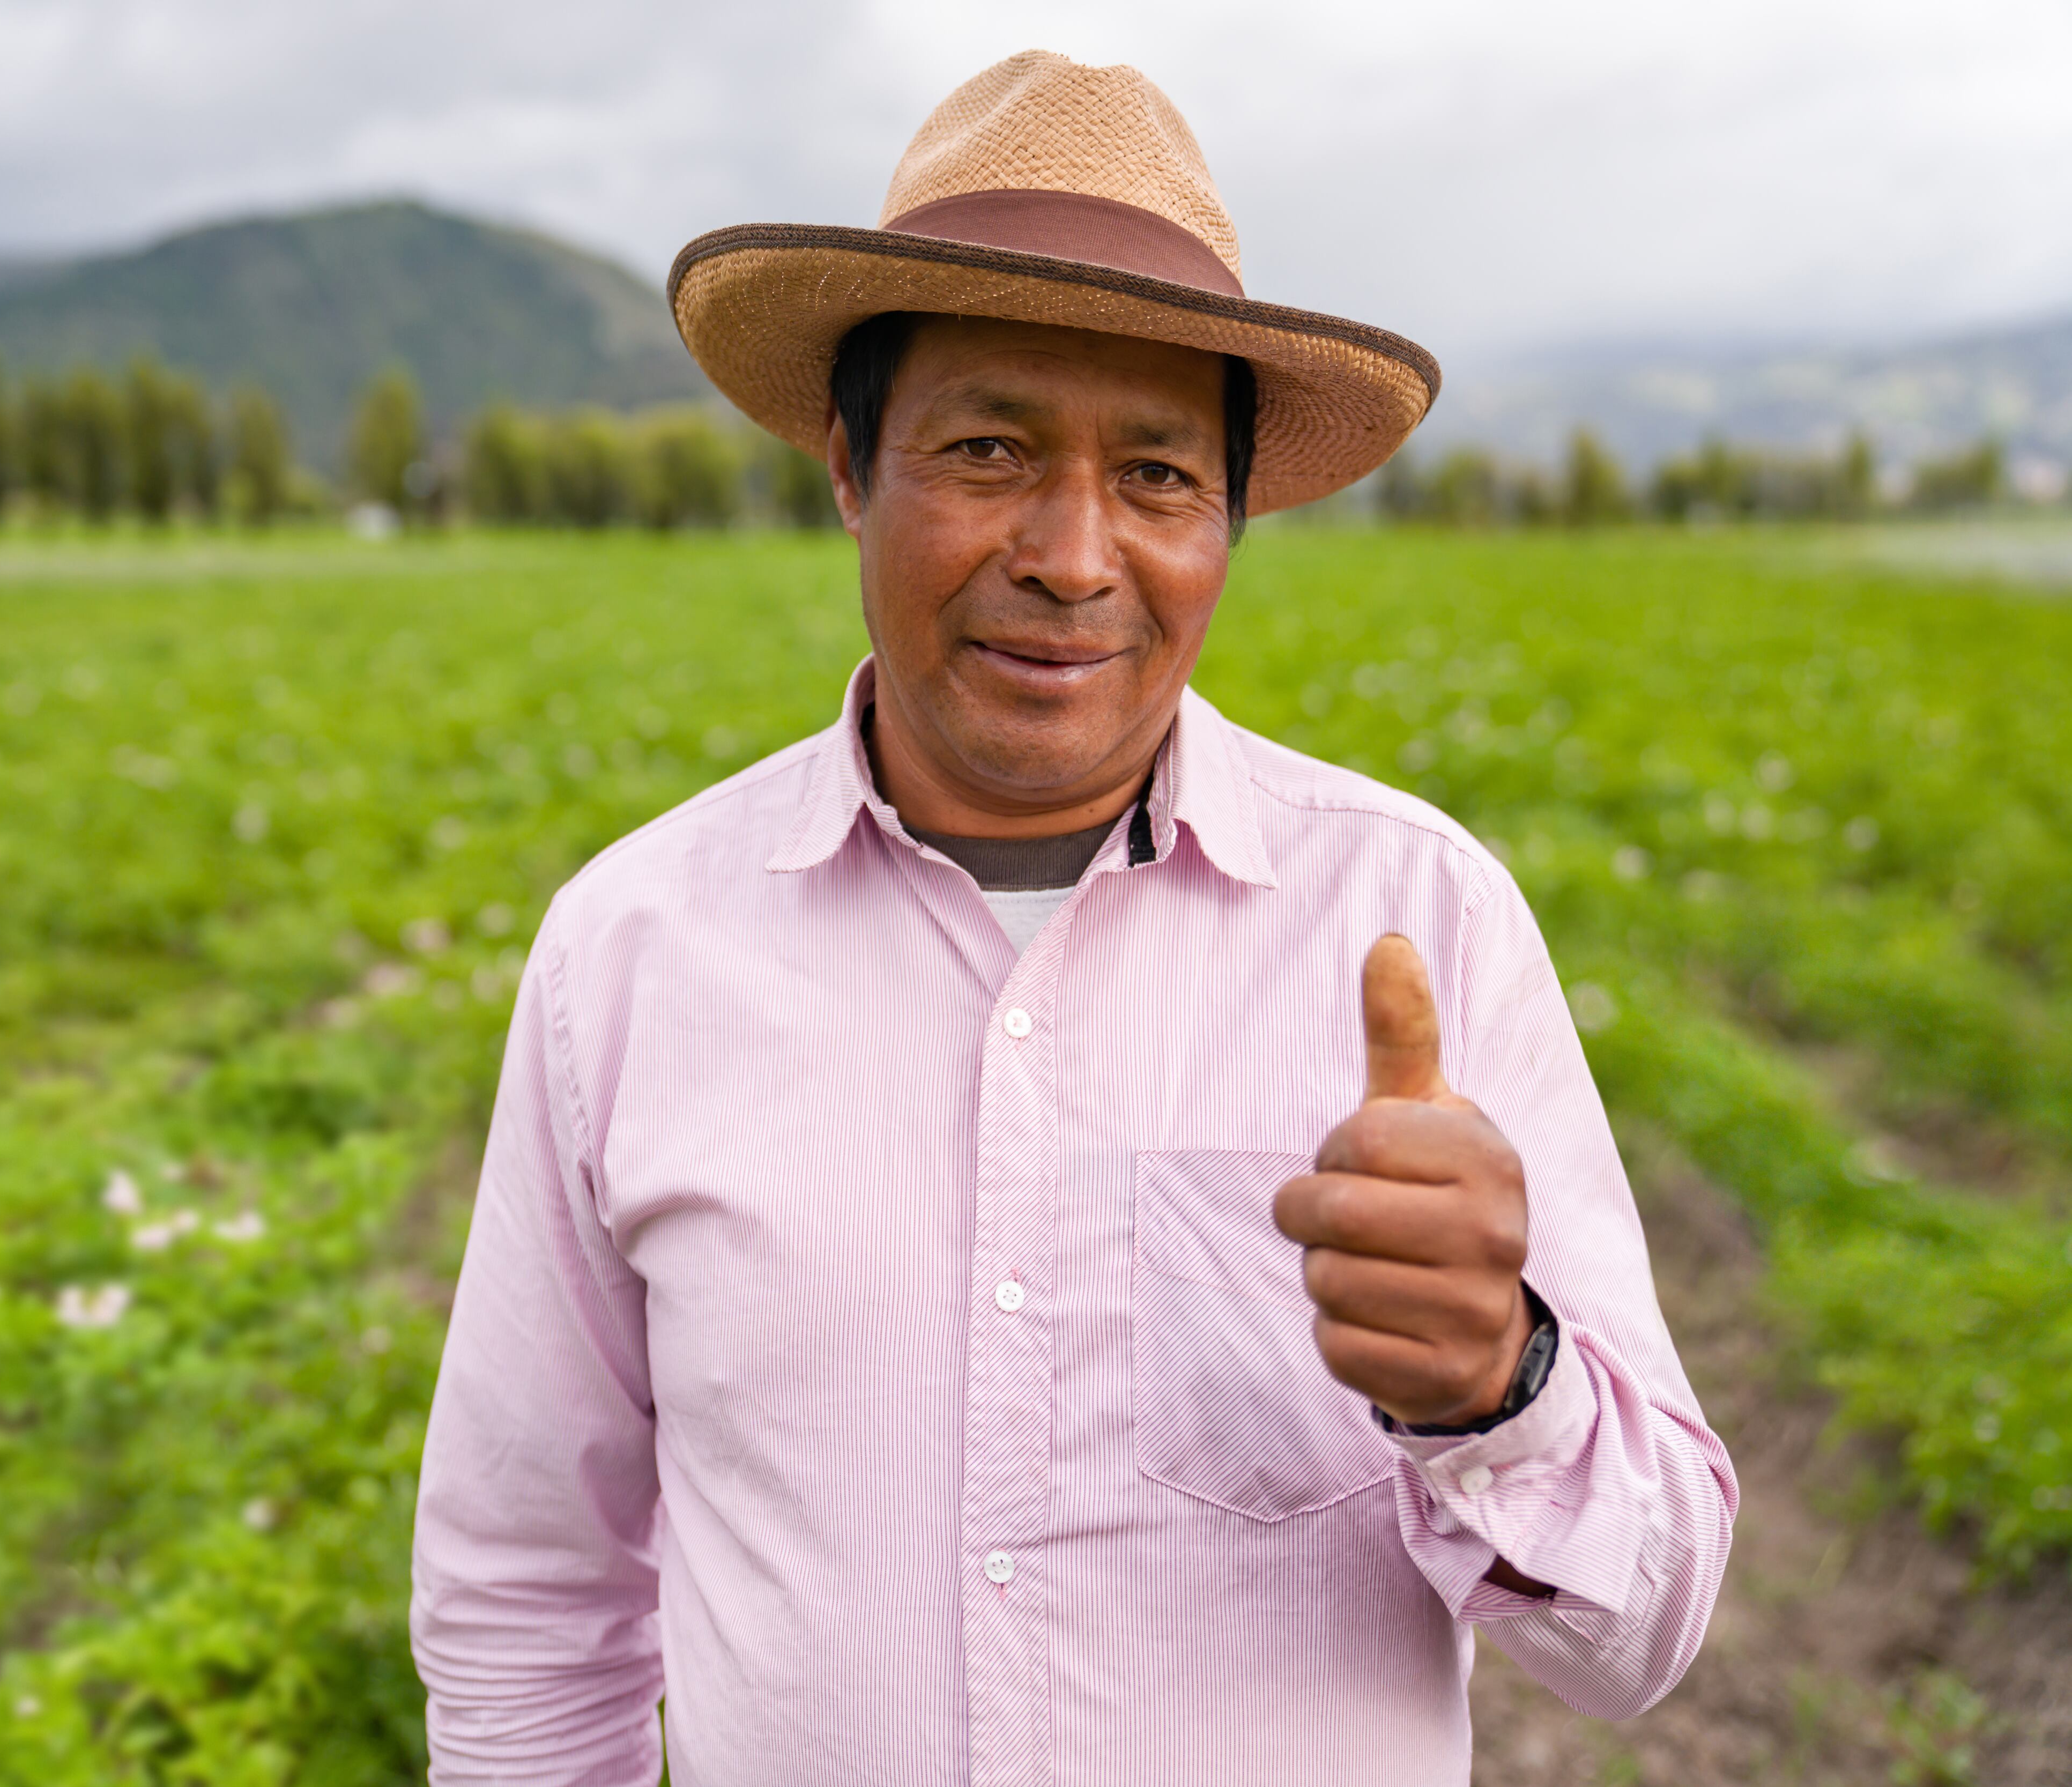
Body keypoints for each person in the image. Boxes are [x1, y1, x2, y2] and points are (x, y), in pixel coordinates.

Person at [411, 50, 1734, 1786]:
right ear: (849, 468)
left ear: (1233, 519)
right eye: (987, 449)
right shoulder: (633, 952)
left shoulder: (1417, 917)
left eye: (1162, 477)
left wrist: (1498, 1383)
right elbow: (529, 1599)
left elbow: (1647, 1635)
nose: (1073, 554)